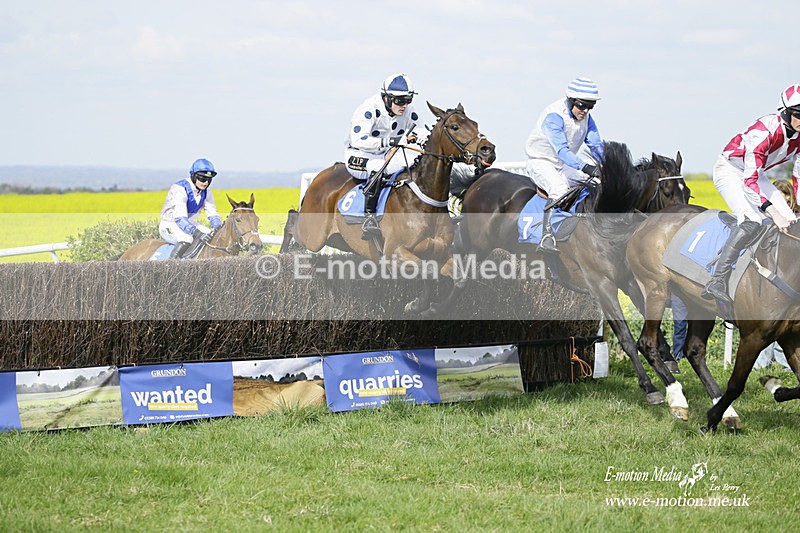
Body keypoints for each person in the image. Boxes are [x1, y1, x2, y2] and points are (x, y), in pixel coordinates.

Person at [701, 85, 800, 304]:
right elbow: (749, 182)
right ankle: (717, 279)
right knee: (753, 220)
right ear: (785, 112)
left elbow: (798, 175)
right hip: (731, 170)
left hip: (758, 174)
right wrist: (774, 213)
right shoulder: (764, 132)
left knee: (792, 221)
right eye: (799, 114)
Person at [525, 76, 604, 253]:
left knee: (594, 184)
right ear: (570, 100)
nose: (585, 110)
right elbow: (562, 151)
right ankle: (546, 236)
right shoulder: (554, 116)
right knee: (559, 189)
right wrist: (587, 167)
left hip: (563, 165)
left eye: (590, 106)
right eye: (582, 105)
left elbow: (596, 145)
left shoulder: (587, 118)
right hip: (541, 162)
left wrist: (605, 165)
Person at [344, 73, 420, 240]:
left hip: (386, 154)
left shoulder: (408, 112)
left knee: (415, 164)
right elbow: (359, 140)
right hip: (359, 155)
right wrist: (390, 141)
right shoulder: (367, 109)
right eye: (400, 101)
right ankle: (369, 218)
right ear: (386, 98)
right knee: (378, 167)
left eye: (408, 100)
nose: (405, 105)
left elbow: (418, 133)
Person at [159, 158, 223, 259]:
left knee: (209, 234)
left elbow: (212, 212)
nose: (205, 183)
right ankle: (171, 265)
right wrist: (196, 233)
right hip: (170, 223)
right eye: (202, 179)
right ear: (194, 176)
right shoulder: (180, 189)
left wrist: (218, 227)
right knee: (187, 238)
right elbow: (180, 218)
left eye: (209, 180)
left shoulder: (207, 192)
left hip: (189, 223)